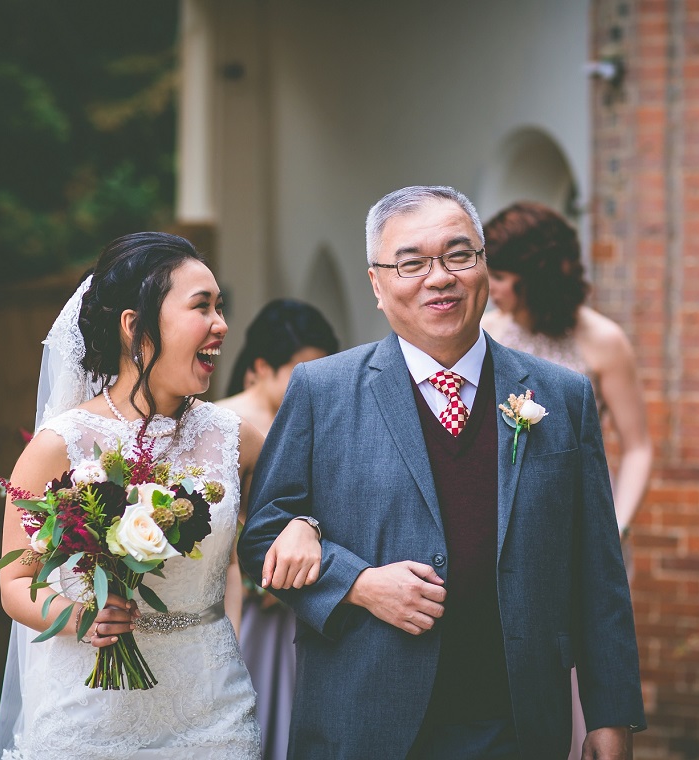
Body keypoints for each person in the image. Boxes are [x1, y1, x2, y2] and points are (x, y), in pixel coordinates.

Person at [240, 186, 646, 759]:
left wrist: (611, 713)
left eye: (460, 255)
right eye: (412, 262)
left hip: (515, 720)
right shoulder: (321, 392)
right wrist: (357, 584)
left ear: (484, 267)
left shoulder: (563, 395)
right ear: (377, 285)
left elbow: (597, 570)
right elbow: (260, 541)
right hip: (364, 719)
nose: (440, 277)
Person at [0, 232, 322, 760]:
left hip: (211, 710)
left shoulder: (235, 437)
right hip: (90, 716)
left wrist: (307, 524)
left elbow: (309, 494)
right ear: (135, 325)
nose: (221, 325)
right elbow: (16, 582)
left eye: (220, 307)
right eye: (202, 307)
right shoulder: (61, 446)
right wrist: (82, 617)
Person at [480, 201, 653, 757]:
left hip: (575, 534)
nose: (492, 288)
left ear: (534, 277)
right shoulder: (486, 333)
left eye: (501, 277)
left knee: (582, 659)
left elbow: (640, 447)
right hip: (503, 539)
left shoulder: (603, 342)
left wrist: (615, 526)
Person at [215, 299, 340, 760]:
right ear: (262, 367)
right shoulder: (224, 425)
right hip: (248, 606)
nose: (315, 381)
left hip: (311, 597)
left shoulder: (326, 419)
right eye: (301, 369)